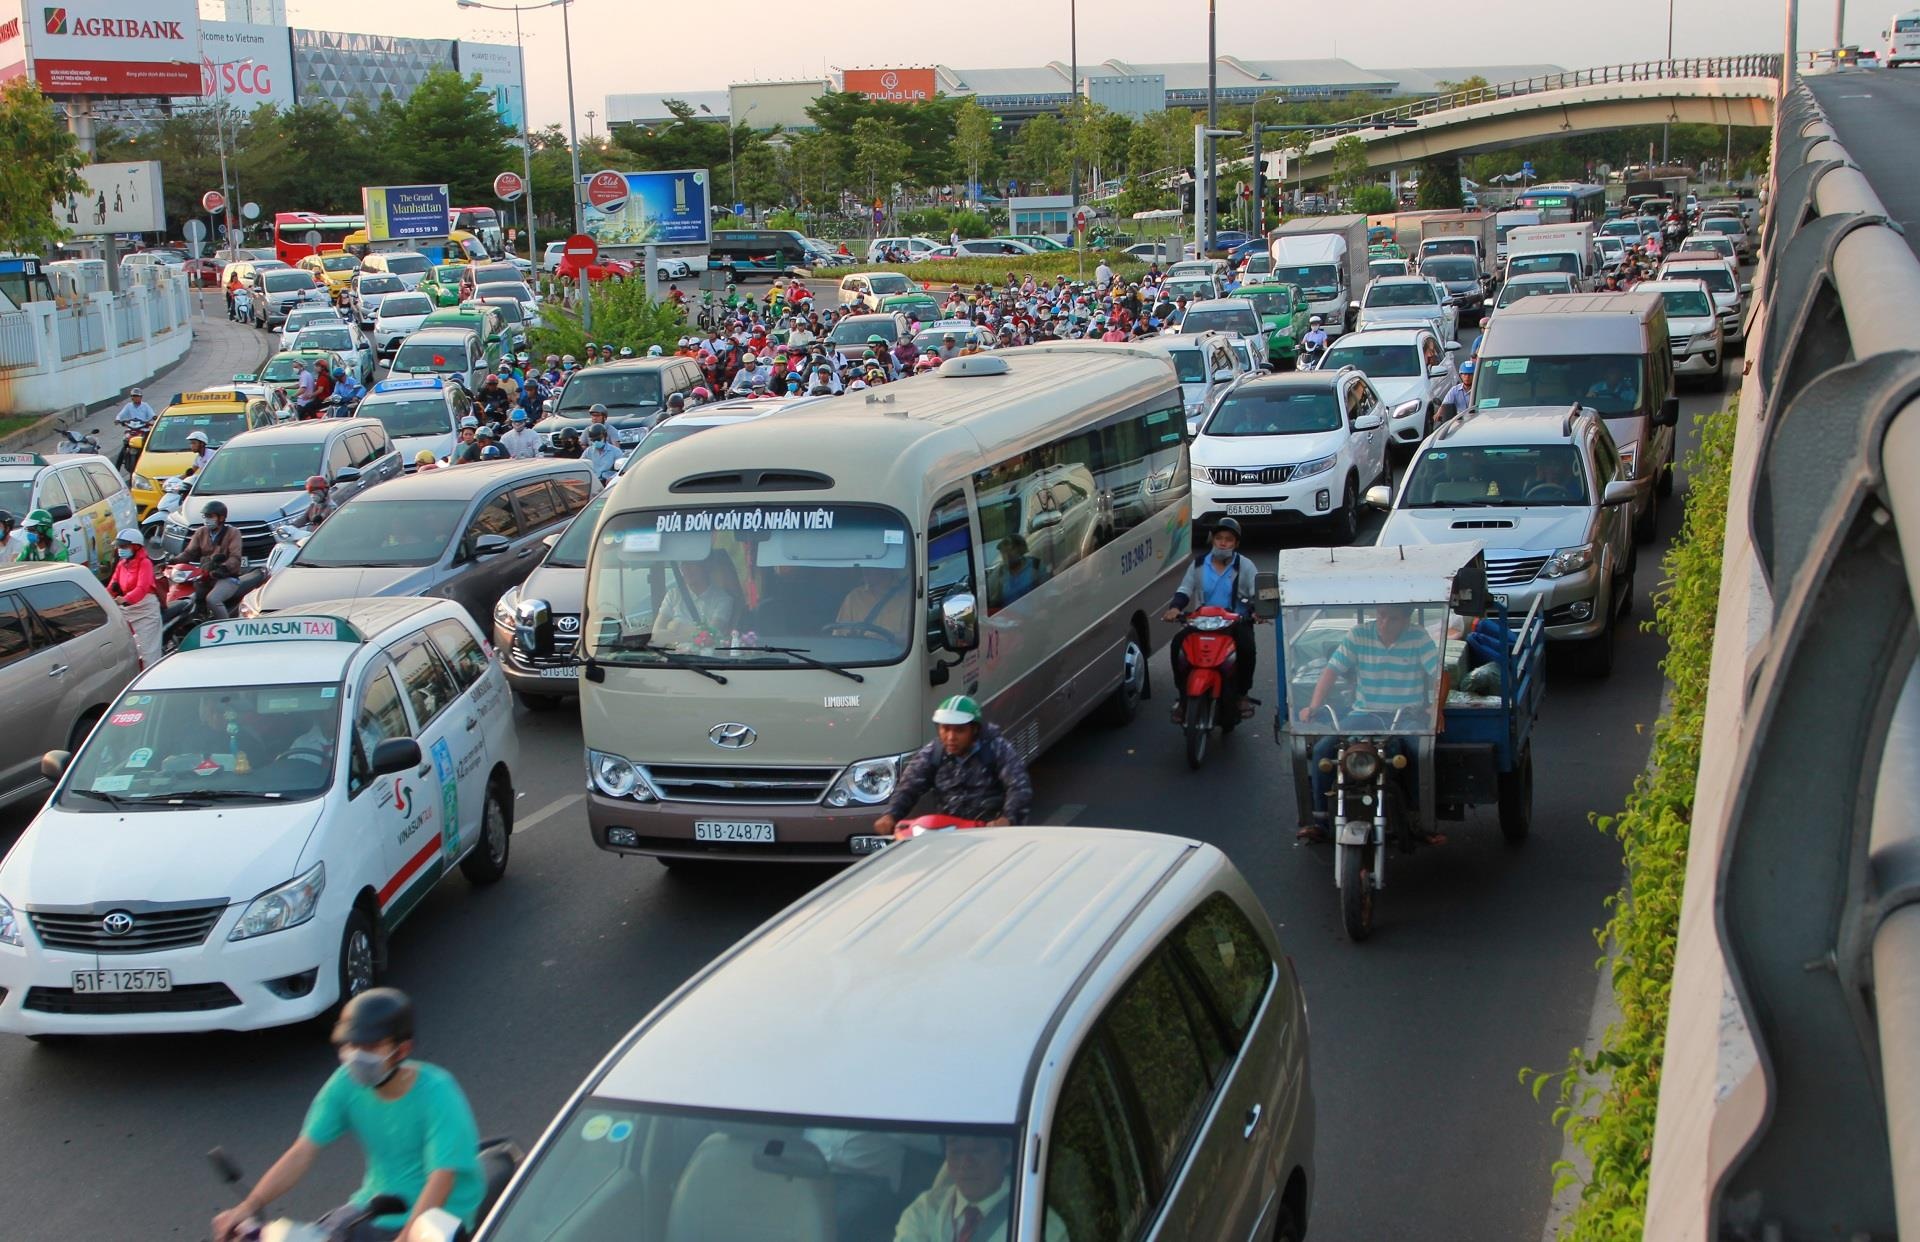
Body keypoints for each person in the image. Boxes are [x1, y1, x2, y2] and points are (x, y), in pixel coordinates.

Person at [210, 988, 485, 1242]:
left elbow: (442, 1178)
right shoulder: (345, 1083)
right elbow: (303, 1151)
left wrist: (406, 1238)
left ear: (402, 1050)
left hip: (436, 1219)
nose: (356, 1056)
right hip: (371, 1206)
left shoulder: (438, 1093)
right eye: (351, 1045)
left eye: (370, 1047)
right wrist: (248, 1207)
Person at [1295, 602, 1446, 842]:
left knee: (1421, 753)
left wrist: (1436, 709)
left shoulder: (1418, 637)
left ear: (1407, 619)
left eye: (1393, 618)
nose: (1384, 623)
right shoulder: (1359, 634)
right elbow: (1332, 670)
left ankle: (1422, 822)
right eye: (1381, 615)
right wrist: (1314, 705)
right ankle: (1320, 821)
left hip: (1405, 715)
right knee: (1324, 750)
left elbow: (1440, 674)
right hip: (1364, 714)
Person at [873, 697, 1033, 835]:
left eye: (959, 731)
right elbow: (909, 787)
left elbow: (1019, 787)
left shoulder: (997, 748)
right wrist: (891, 815)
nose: (950, 737)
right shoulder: (933, 753)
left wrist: (1007, 819)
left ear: (974, 729)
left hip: (992, 833)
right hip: (949, 834)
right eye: (945, 729)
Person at [1163, 518, 1261, 721]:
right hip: (1202, 622)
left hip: (1235, 623)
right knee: (1177, 646)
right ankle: (1183, 698)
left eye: (1228, 540)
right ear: (1213, 541)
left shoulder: (1246, 566)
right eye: (1219, 539)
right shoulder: (1198, 565)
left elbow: (1257, 594)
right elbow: (1185, 590)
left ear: (1236, 544)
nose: (1223, 543)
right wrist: (1175, 608)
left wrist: (1255, 612)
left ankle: (1242, 694)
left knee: (1247, 648)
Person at [650, 553, 741, 647]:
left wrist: (676, 627)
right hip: (672, 660)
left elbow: (711, 636)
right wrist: (697, 633)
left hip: (704, 660)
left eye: (692, 563)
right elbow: (656, 636)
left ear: (706, 567)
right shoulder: (673, 595)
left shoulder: (723, 600)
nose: (686, 569)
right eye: (683, 564)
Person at [106, 527, 161, 666]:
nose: (120, 550)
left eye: (124, 546)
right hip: (127, 610)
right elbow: (112, 585)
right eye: (119, 546)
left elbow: (141, 589)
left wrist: (125, 599)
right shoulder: (121, 564)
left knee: (148, 653)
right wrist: (103, 599)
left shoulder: (145, 563)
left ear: (136, 547)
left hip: (145, 611)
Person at [183, 499, 245, 619]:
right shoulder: (201, 532)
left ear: (221, 518)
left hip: (227, 577)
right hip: (205, 575)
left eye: (210, 516)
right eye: (205, 516)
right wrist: (172, 561)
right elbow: (188, 553)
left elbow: (235, 557)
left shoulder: (233, 533)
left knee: (213, 599)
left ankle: (226, 627)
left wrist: (224, 568)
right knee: (190, 597)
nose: (207, 519)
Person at [834, 565, 912, 641]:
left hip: (894, 653)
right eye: (865, 565)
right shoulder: (853, 597)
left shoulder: (907, 598)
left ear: (887, 568)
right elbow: (839, 636)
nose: (865, 569)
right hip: (858, 652)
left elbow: (913, 636)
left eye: (872, 565)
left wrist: (885, 638)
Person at [995, 535, 1046, 605]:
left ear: (1021, 549)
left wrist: (1043, 610)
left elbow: (1049, 593)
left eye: (1011, 550)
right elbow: (995, 599)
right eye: (1004, 552)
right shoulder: (1001, 572)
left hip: (1033, 614)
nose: (1007, 555)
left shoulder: (1035, 565)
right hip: (1007, 614)